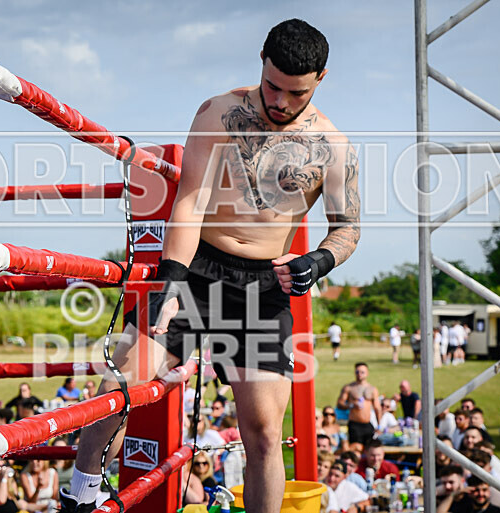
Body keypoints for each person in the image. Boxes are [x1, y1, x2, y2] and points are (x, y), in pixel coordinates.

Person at [61, 18, 360, 513]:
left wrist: (320, 260)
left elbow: (347, 227)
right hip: (195, 267)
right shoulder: (218, 112)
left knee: (264, 431)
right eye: (272, 86)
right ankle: (81, 494)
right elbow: (191, 202)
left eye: (295, 92)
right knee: (124, 382)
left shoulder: (333, 146)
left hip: (264, 288)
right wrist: (171, 279)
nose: (280, 101)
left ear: (320, 79)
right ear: (260, 64)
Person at [337, 363, 381, 445]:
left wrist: (379, 426)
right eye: (357, 372)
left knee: (369, 447)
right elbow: (339, 403)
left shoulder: (372, 389)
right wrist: (351, 405)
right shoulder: (349, 388)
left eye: (362, 372)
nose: (359, 374)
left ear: (367, 373)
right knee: (356, 447)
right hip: (355, 424)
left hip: (367, 424)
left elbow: (377, 408)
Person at [436, 475, 500, 513]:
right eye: (476, 490)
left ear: (489, 491)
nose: (481, 494)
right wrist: (453, 495)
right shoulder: (464, 509)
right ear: (469, 492)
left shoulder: (497, 511)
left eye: (484, 490)